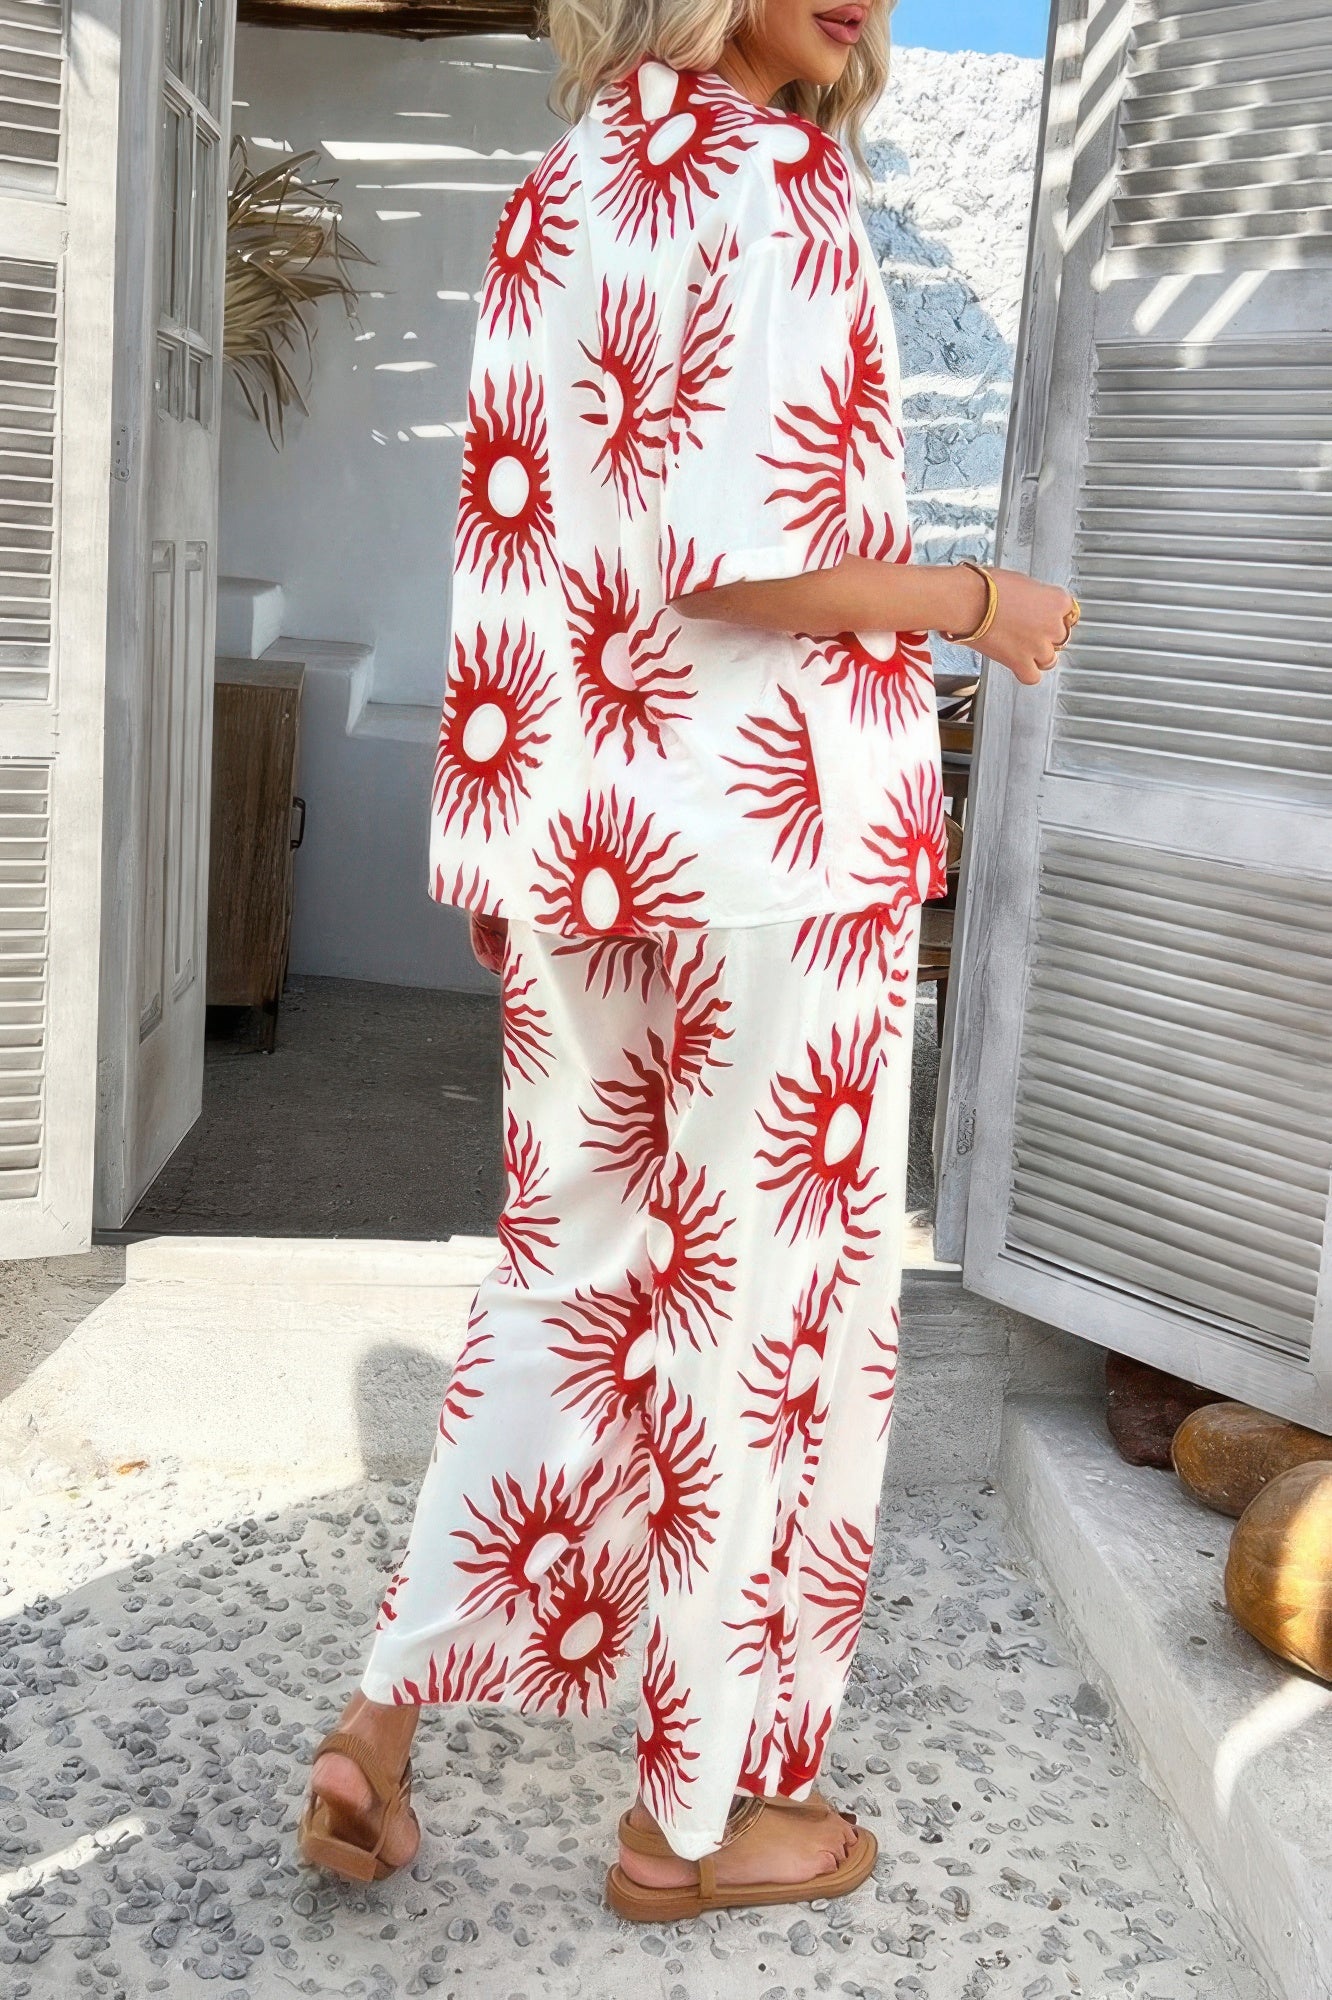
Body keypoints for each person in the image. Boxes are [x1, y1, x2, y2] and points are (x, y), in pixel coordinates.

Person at [298, 0, 1076, 1922]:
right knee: (769, 1319)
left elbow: (550, 545)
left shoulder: (563, 183)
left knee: (573, 1276)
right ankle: (697, 1822)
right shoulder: (777, 179)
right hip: (780, 847)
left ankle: (380, 1725)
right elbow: (730, 555)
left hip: (585, 834)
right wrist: (981, 601)